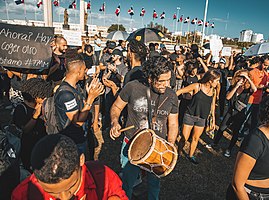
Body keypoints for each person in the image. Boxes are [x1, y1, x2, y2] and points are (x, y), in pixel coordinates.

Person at [110, 56, 179, 200]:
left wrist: (171, 144)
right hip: (132, 144)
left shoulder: (171, 95)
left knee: (154, 185)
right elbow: (116, 107)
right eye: (161, 81)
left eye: (168, 79)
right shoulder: (132, 87)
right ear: (150, 78)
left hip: (158, 147)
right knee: (127, 183)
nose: (166, 84)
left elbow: (173, 124)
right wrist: (114, 122)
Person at [12, 134, 128, 200]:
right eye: (52, 192)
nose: (64, 197)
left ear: (81, 160)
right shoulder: (23, 194)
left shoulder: (101, 175)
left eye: (71, 186)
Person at [54, 50, 104, 154]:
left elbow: (81, 108)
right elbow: (77, 122)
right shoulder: (66, 94)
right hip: (72, 142)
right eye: (84, 69)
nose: (86, 71)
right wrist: (90, 98)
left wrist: (91, 93)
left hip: (81, 137)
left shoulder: (76, 87)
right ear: (78, 71)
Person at [207, 70, 257, 157]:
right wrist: (236, 86)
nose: (242, 79)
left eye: (244, 78)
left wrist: (248, 78)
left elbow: (255, 89)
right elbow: (228, 97)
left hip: (240, 113)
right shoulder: (233, 86)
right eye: (241, 77)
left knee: (236, 132)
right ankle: (215, 143)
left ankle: (229, 149)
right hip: (231, 111)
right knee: (222, 128)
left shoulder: (248, 89)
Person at [176, 70, 221, 164]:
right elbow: (180, 91)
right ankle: (178, 153)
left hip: (202, 118)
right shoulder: (197, 86)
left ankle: (190, 155)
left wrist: (213, 120)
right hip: (190, 115)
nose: (218, 83)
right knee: (184, 138)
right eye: (216, 81)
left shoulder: (213, 91)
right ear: (210, 80)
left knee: (195, 138)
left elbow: (212, 106)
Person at [13, 78, 52, 172]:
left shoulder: (43, 105)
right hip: (28, 148)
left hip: (42, 145)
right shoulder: (21, 109)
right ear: (35, 96)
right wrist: (35, 115)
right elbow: (25, 130)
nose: (44, 99)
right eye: (42, 96)